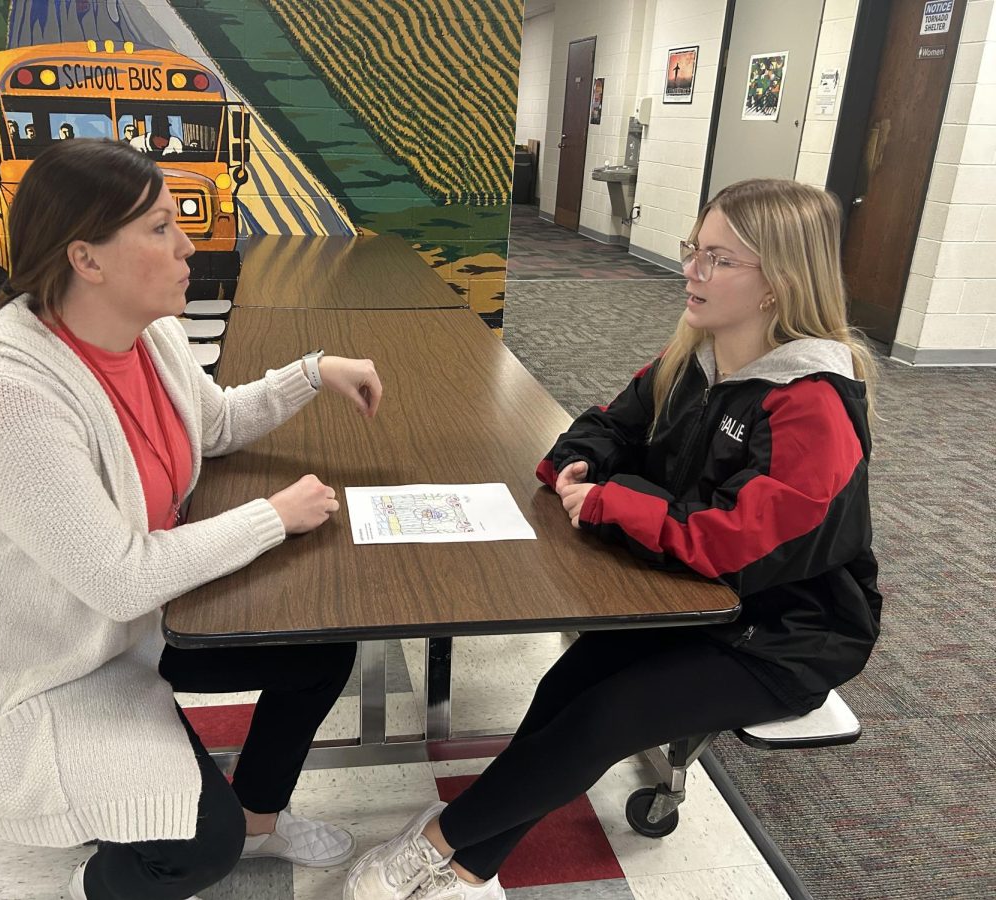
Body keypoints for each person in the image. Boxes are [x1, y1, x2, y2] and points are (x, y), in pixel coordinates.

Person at [344, 178, 882, 900]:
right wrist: (579, 465)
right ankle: (477, 861)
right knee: (566, 682)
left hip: (786, 630)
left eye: (719, 259)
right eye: (696, 249)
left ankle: (436, 840)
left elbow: (734, 544)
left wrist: (606, 504)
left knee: (605, 717)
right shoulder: (697, 357)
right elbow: (611, 422)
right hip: (687, 593)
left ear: (777, 285)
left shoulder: (813, 404)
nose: (690, 269)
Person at [0, 138, 383, 900]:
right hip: (63, 659)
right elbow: (117, 578)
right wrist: (274, 516)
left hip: (147, 625)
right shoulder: (1, 396)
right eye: (162, 227)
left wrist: (313, 371)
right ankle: (96, 886)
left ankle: (261, 819)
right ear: (87, 259)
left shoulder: (149, 334)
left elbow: (215, 424)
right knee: (201, 849)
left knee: (320, 648)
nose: (187, 243)